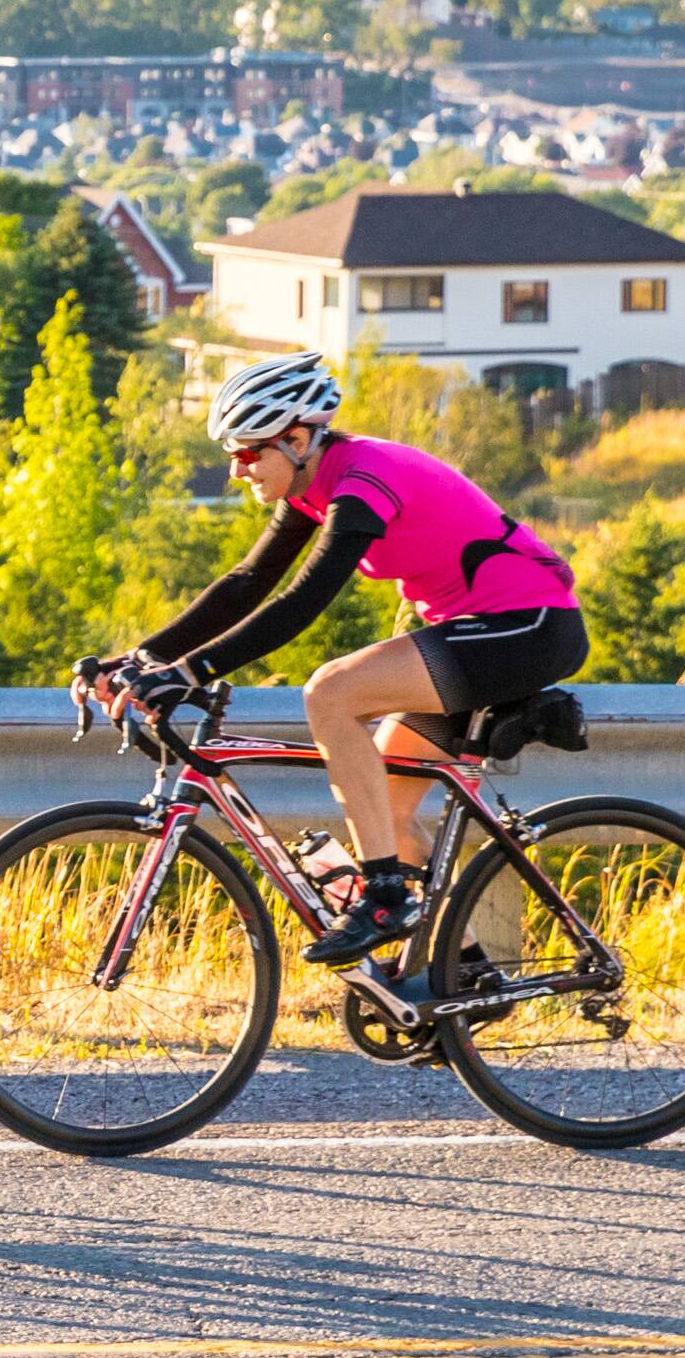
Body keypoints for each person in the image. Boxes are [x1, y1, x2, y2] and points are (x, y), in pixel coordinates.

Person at [94, 349, 587, 969]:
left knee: (331, 691)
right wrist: (139, 659)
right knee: (380, 807)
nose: (237, 470)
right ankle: (466, 973)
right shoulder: (311, 486)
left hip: (526, 627)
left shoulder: (364, 479)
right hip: (476, 633)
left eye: (248, 452)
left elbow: (304, 600)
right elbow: (248, 581)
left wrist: (190, 673)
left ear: (298, 438)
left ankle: (384, 895)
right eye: (232, 455)